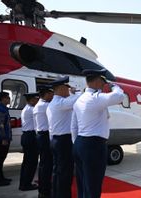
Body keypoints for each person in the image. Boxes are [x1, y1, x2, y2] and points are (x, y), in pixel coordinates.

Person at [72, 69, 124, 198]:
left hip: (80, 143)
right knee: (93, 184)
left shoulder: (79, 99)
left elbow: (73, 126)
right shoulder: (95, 98)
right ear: (96, 81)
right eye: (103, 82)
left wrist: (77, 143)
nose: (103, 85)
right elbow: (119, 96)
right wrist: (115, 86)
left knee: (83, 182)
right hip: (93, 145)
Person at [46, 76, 80, 198]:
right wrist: (78, 92)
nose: (68, 90)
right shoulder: (60, 103)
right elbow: (78, 99)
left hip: (56, 140)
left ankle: (56, 194)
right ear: (61, 88)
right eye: (67, 88)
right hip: (63, 141)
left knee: (57, 171)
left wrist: (71, 93)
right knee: (65, 172)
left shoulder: (53, 104)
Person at [33, 86, 54, 198]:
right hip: (45, 136)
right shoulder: (45, 105)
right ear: (46, 94)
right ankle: (45, 191)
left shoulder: (38, 105)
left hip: (40, 135)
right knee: (47, 165)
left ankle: (43, 190)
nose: (53, 96)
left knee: (43, 164)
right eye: (51, 93)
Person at [19, 92, 39, 191]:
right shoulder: (32, 109)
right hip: (30, 137)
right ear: (32, 100)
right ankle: (26, 185)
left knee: (26, 162)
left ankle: (23, 183)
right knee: (31, 162)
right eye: (36, 99)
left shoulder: (26, 108)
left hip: (26, 136)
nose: (37, 101)